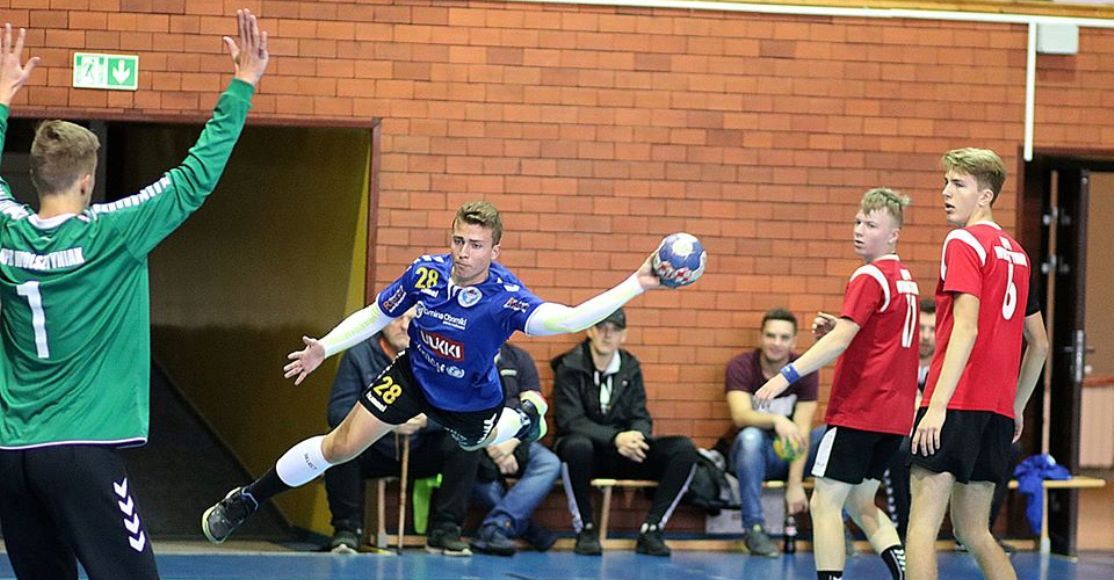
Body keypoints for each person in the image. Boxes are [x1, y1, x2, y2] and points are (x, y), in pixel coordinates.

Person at [202, 201, 674, 545]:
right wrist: (325, 347)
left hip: (470, 400)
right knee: (340, 446)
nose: (463, 253)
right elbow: (377, 314)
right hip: (414, 376)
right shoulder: (425, 274)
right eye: (458, 241)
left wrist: (638, 283)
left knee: (476, 443)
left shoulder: (507, 298)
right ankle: (247, 500)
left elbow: (571, 320)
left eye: (476, 245)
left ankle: (526, 415)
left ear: (495, 250)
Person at [0, 12, 268, 579]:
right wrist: (242, 83)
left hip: (11, 456)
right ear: (86, 181)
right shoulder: (111, 234)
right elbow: (193, 177)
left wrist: (1, 98)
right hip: (82, 451)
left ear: (36, 176)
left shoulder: (7, 230)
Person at [756, 188, 919, 580]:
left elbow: (840, 342)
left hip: (860, 411)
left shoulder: (868, 275)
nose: (860, 230)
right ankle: (907, 573)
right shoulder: (905, 279)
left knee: (824, 504)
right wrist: (842, 328)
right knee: (862, 503)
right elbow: (882, 337)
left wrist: (785, 376)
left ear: (894, 235)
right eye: (858, 222)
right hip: (894, 416)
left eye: (872, 225)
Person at [906, 148, 1049, 580]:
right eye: (945, 183)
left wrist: (936, 406)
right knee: (974, 531)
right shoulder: (1019, 255)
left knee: (921, 527)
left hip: (955, 403)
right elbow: (1039, 344)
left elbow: (965, 329)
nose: (946, 193)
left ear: (985, 196)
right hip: (996, 412)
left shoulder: (963, 241)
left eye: (958, 184)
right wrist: (1016, 407)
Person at [322, 308, 482, 556]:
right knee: (336, 440)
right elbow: (338, 412)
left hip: (421, 451)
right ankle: (346, 529)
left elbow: (461, 412)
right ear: (384, 322)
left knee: (464, 444)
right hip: (372, 449)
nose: (405, 326)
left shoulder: (441, 357)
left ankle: (445, 531)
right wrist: (385, 421)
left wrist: (426, 422)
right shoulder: (359, 355)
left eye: (413, 320)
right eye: (398, 319)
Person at [552, 308, 699, 557]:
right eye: (601, 328)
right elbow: (570, 420)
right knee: (576, 447)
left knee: (683, 449)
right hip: (587, 452)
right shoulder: (570, 366)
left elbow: (640, 414)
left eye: (615, 330)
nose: (607, 335)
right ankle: (585, 529)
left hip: (624, 452)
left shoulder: (630, 367)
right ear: (590, 331)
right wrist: (615, 438)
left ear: (624, 335)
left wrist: (636, 438)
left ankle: (652, 529)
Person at [725, 307, 827, 557]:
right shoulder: (741, 366)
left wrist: (795, 484)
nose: (776, 343)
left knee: (832, 435)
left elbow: (802, 431)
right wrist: (777, 420)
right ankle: (754, 529)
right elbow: (740, 415)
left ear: (793, 342)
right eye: (771, 336)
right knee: (750, 437)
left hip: (794, 455)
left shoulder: (805, 370)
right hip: (756, 456)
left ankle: (835, 526)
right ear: (761, 337)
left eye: (784, 337)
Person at [468, 342, 561, 556]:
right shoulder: (464, 356)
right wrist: (491, 444)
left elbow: (534, 406)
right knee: (472, 473)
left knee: (549, 463)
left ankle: (497, 526)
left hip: (517, 436)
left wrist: (510, 443)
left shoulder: (519, 358)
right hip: (477, 440)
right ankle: (522, 528)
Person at [883, 297, 936, 539]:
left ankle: (973, 533)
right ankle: (903, 530)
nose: (925, 336)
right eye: (921, 329)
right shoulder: (897, 361)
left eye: (932, 330)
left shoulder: (948, 365)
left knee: (1007, 449)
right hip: (902, 433)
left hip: (938, 435)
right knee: (897, 448)